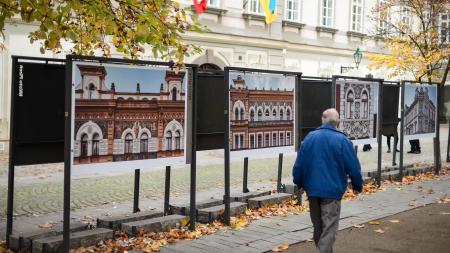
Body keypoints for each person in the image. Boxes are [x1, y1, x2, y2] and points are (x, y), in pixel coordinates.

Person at [292, 108, 363, 253]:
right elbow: (353, 167)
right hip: (332, 192)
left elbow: (299, 165)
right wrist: (357, 185)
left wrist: (299, 182)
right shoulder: (342, 140)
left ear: (322, 119)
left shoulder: (310, 138)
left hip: (312, 191)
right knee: (329, 229)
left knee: (318, 227)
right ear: (337, 122)